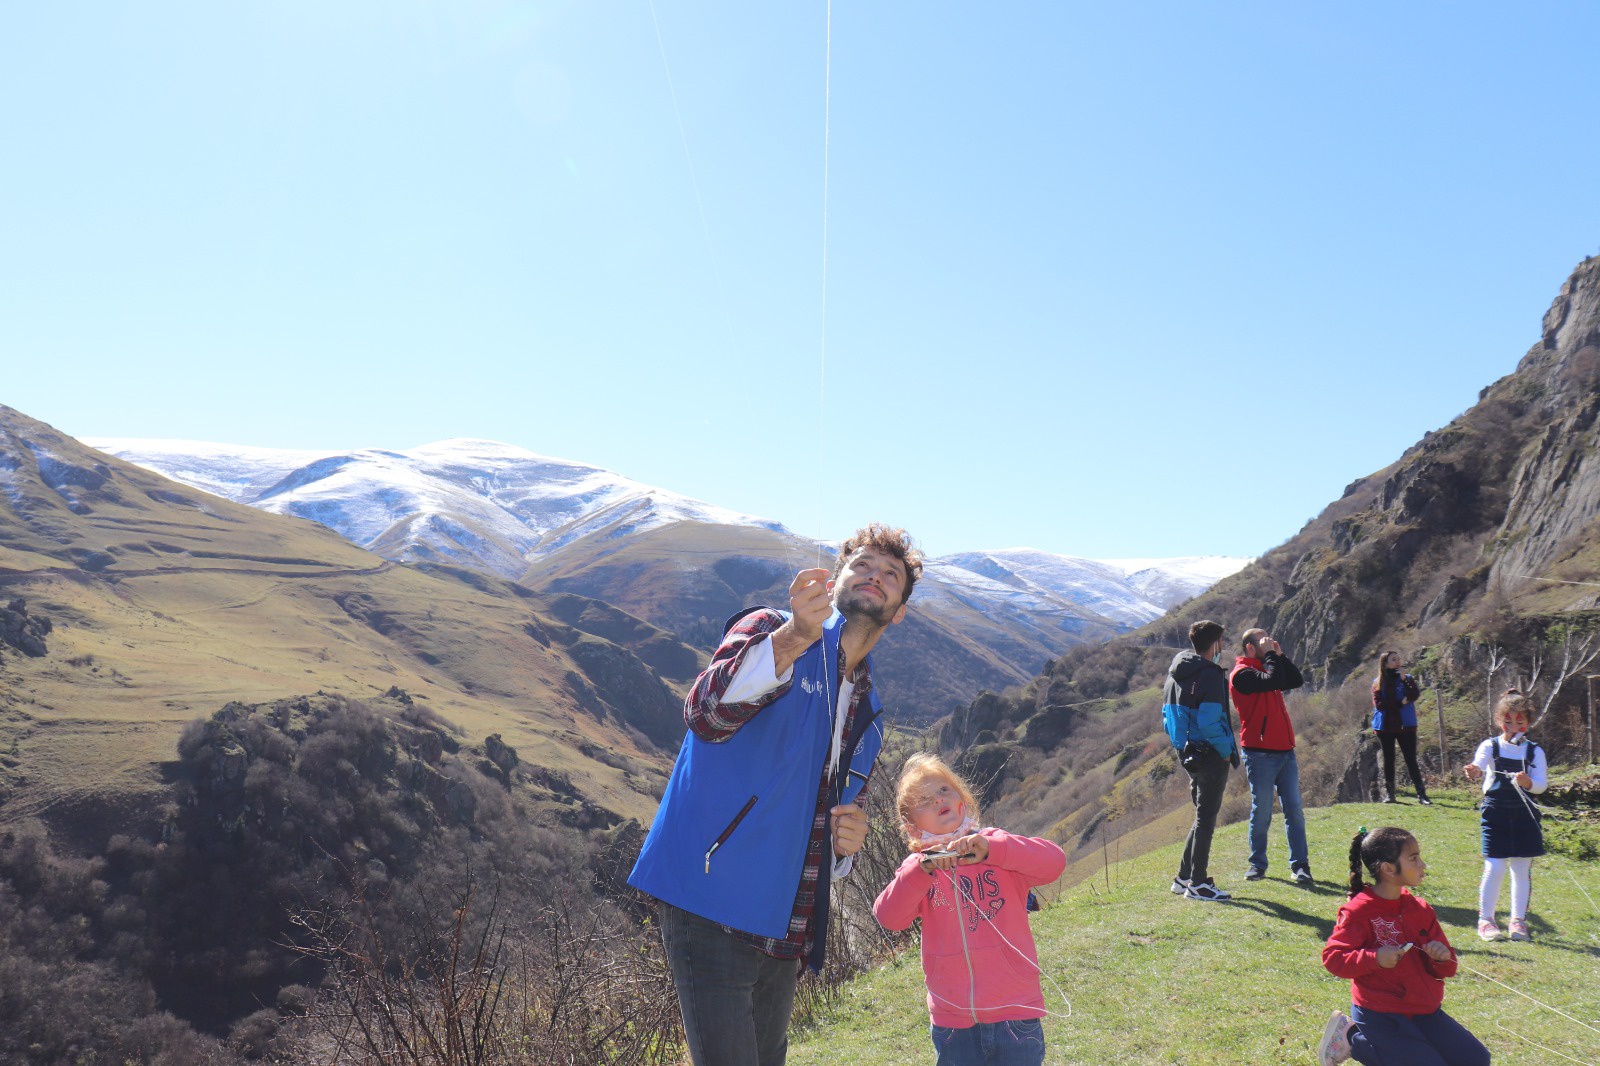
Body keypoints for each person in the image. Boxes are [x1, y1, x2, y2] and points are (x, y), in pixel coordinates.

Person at [629, 523, 923, 1066]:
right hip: (710, 896)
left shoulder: (870, 712)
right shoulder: (770, 628)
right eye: (861, 565)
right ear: (834, 581)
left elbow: (827, 828)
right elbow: (705, 713)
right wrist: (793, 636)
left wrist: (846, 846)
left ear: (899, 610)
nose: (874, 577)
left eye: (891, 574)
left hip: (785, 915)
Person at [873, 753, 1067, 1066]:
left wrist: (997, 850)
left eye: (943, 791)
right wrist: (921, 871)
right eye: (924, 800)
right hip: (953, 1020)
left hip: (1015, 1013)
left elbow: (1055, 863)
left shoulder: (995, 845)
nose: (937, 801)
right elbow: (888, 917)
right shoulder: (919, 869)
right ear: (911, 826)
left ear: (962, 800)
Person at [1318, 826, 1489, 1066]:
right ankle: (1352, 1038)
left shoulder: (1420, 908)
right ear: (1388, 869)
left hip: (1424, 1011)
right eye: (1414, 858)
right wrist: (1374, 957)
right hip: (1381, 1015)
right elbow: (1334, 959)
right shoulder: (1359, 911)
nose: (1423, 865)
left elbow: (1448, 967)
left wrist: (1441, 958)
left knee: (1476, 1059)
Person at [1160, 619, 1239, 901]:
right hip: (1209, 754)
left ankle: (1183, 878)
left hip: (1188, 753)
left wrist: (1182, 745)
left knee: (1200, 816)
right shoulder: (1210, 675)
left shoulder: (1176, 673)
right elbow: (1209, 720)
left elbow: (1166, 716)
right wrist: (1225, 750)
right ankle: (1199, 883)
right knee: (1206, 818)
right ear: (1215, 643)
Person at [1463, 689, 1548, 943]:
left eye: (1519, 721)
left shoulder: (1535, 752)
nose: (1513, 726)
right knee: (1496, 866)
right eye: (1508, 721)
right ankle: (1486, 920)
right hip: (1495, 812)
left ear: (1528, 723)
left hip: (1525, 815)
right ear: (1500, 720)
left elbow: (1542, 785)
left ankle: (1518, 921)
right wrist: (1475, 772)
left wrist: (1528, 783)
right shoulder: (1490, 745)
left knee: (1521, 869)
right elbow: (1479, 764)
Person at [1229, 628, 1310, 882]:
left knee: (1294, 810)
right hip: (1260, 754)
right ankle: (1257, 864)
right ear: (1251, 648)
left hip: (1285, 752)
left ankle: (1300, 866)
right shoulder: (1241, 674)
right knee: (1262, 810)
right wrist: (1271, 657)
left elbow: (1295, 680)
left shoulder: (1269, 667)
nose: (1269, 644)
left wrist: (1279, 656)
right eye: (1262, 642)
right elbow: (1273, 681)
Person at [1370, 651, 1430, 805]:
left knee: (1411, 759)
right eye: (1393, 659)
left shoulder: (1407, 679)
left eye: (1398, 658)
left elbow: (1414, 694)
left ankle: (1422, 795)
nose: (1397, 662)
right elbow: (1380, 704)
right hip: (1385, 725)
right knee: (1389, 759)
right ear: (1385, 663)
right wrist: (1400, 703)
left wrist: (1404, 680)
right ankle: (1390, 795)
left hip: (1406, 724)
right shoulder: (1378, 683)